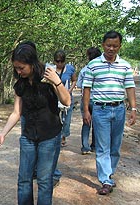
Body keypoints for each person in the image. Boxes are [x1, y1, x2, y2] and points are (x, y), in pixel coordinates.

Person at [0, 43, 70, 205]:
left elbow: (66, 101)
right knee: (24, 177)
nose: (18, 71)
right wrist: (3, 133)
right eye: (16, 68)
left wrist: (57, 81)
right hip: (28, 136)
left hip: (49, 136)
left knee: (44, 179)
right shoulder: (20, 84)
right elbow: (16, 113)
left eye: (22, 68)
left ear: (32, 64)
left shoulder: (49, 77)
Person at [82, 30, 137, 195]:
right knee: (102, 146)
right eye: (108, 45)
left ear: (120, 46)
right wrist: (86, 110)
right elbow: (87, 89)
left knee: (115, 146)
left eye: (115, 46)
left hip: (119, 109)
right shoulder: (93, 65)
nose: (111, 49)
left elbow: (130, 88)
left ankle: (109, 173)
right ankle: (105, 180)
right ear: (103, 45)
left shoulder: (125, 66)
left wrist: (133, 109)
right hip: (100, 109)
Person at [77, 47, 102, 155]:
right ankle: (94, 146)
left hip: (85, 100)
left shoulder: (84, 70)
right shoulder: (101, 70)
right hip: (98, 101)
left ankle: (85, 147)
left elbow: (79, 85)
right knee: (97, 124)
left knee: (86, 123)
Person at [53, 50, 77, 147]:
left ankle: (64, 136)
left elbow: (74, 80)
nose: (59, 63)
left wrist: (69, 91)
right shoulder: (51, 69)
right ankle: (56, 137)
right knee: (56, 119)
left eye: (61, 61)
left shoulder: (70, 69)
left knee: (66, 121)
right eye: (57, 61)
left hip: (67, 99)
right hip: (55, 99)